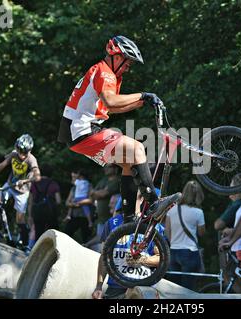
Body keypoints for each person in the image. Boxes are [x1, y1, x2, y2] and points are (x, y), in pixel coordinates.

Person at [57, 35, 181, 229]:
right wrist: (143, 94)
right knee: (138, 148)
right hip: (81, 129)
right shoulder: (104, 72)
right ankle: (153, 204)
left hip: (80, 130)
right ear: (116, 56)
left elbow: (110, 108)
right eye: (127, 63)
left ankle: (129, 217)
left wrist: (141, 102)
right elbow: (112, 101)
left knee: (129, 164)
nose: (128, 68)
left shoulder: (110, 75)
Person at [91, 205, 164, 299]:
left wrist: (142, 260)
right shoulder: (112, 222)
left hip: (142, 289)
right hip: (115, 288)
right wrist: (99, 286)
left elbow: (161, 258)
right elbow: (104, 257)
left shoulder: (154, 226)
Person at [0, 134, 41, 248]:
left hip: (22, 191)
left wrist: (25, 181)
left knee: (19, 218)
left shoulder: (31, 159)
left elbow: (37, 177)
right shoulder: (14, 154)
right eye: (20, 151)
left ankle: (25, 245)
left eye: (24, 153)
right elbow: (1, 165)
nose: (22, 155)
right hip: (10, 185)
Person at [165, 180, 206, 290]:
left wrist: (174, 242)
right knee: (188, 288)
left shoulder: (172, 210)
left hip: (173, 252)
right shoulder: (198, 212)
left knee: (174, 288)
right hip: (190, 252)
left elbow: (167, 232)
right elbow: (202, 233)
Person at [28, 164, 61, 249]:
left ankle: (36, 252)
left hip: (37, 212)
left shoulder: (34, 184)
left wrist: (30, 215)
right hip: (50, 212)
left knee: (38, 233)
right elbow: (58, 201)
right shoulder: (53, 184)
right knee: (53, 233)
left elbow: (30, 201)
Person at [64, 170, 94, 244]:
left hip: (84, 216)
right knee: (66, 233)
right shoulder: (74, 188)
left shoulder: (88, 185)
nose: (73, 178)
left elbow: (91, 200)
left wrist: (79, 203)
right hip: (74, 216)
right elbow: (67, 202)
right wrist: (73, 205)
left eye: (75, 176)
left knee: (86, 238)